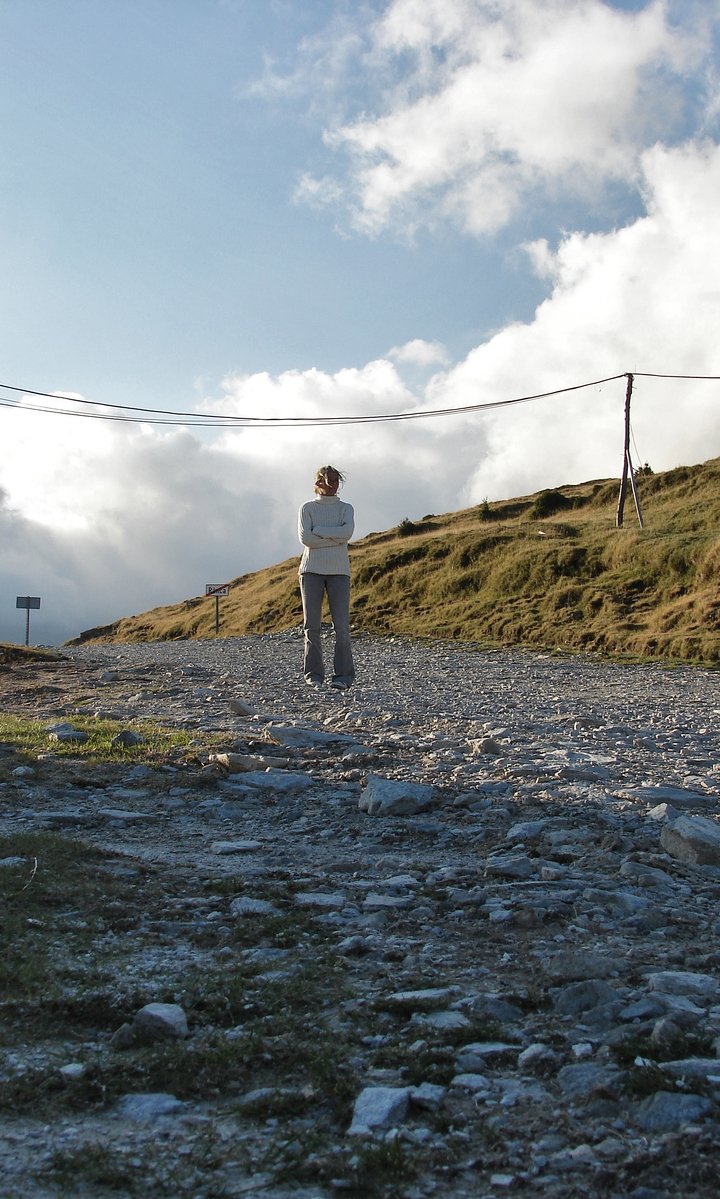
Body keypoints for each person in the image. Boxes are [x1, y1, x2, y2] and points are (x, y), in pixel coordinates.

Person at [297, 465, 355, 689]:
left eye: (335, 480)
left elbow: (347, 534)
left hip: (339, 571)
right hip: (311, 570)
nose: (332, 484)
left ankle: (343, 677)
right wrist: (334, 536)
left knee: (341, 626)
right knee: (311, 625)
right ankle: (314, 675)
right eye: (327, 480)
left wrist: (319, 530)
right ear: (317, 482)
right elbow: (306, 539)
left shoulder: (346, 508)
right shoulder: (307, 508)